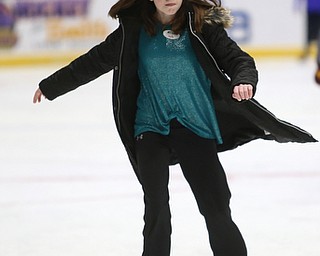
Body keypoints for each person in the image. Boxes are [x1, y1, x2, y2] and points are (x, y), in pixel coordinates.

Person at [33, 0, 317, 255]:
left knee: (216, 209)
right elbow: (92, 62)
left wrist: (244, 80)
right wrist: (50, 86)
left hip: (195, 125)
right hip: (150, 126)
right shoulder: (133, 30)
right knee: (156, 209)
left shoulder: (202, 27)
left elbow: (239, 59)